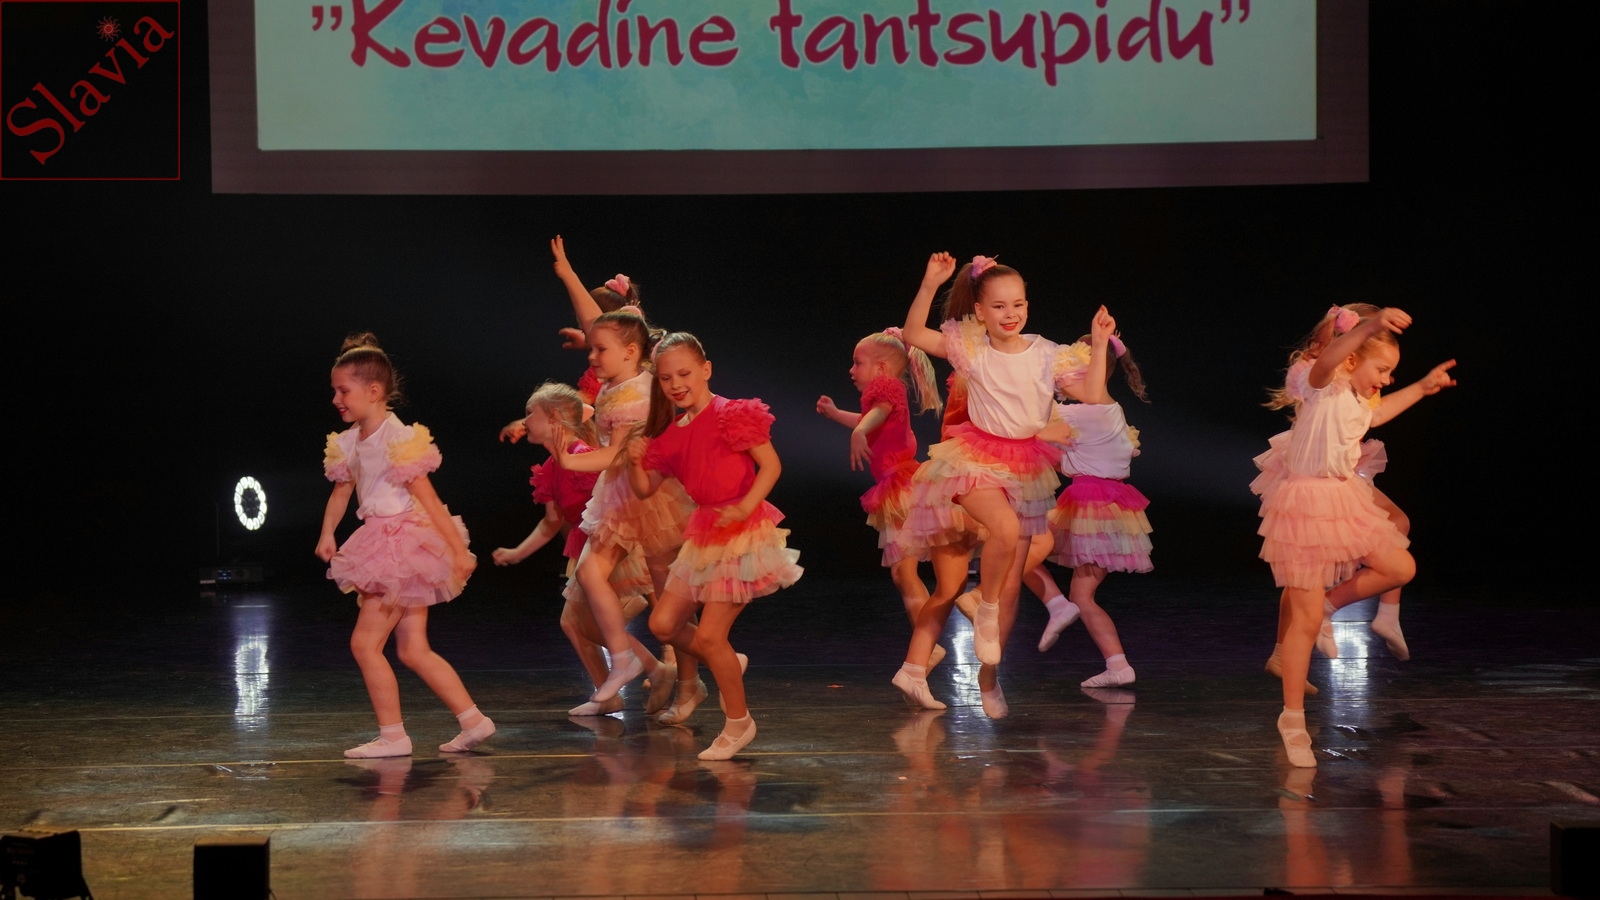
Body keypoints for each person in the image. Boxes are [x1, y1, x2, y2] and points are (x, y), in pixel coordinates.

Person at [1256, 305, 1456, 766]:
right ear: (1350, 358)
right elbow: (1327, 361)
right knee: (1304, 620)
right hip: (1305, 505)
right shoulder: (1320, 384)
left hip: (1343, 496)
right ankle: (1292, 719)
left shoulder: (1357, 397)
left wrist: (1422, 387)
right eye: (1381, 369)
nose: (1386, 379)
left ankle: (1329, 605)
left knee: (1400, 565)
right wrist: (1372, 326)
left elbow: (1378, 416)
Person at [890, 252, 1084, 718]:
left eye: (1017, 304)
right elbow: (916, 336)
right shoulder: (971, 354)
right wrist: (930, 283)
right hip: (970, 472)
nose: (1010, 314)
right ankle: (930, 655)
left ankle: (987, 676)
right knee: (960, 576)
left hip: (1021, 473)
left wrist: (1098, 354)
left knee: (1007, 583)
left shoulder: (1040, 355)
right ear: (979, 312)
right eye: (998, 306)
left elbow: (1077, 399)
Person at [627, 332, 803, 760]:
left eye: (684, 374)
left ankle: (739, 723)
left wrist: (744, 506)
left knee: (709, 635)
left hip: (743, 531)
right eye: (666, 378)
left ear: (706, 370)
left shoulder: (731, 414)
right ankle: (725, 660)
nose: (676, 384)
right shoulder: (671, 435)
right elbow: (646, 488)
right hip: (706, 533)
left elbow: (771, 466)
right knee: (663, 624)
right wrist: (633, 461)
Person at [317, 334, 494, 758]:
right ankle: (474, 721)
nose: (337, 400)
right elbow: (342, 490)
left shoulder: (397, 437)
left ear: (373, 391)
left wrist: (459, 551)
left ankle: (393, 736)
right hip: (386, 538)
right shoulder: (350, 440)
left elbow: (427, 497)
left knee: (365, 645)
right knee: (413, 649)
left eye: (344, 391)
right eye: (335, 391)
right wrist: (327, 532)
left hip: (399, 544)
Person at [544, 238, 694, 716]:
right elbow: (598, 325)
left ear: (630, 351)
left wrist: (568, 459)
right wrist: (567, 274)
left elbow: (613, 455)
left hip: (650, 497)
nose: (591, 356)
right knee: (592, 574)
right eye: (591, 348)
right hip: (621, 494)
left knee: (668, 604)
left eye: (599, 351)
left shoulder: (636, 394)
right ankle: (627, 660)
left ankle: (701, 669)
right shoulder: (620, 377)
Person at [492, 383, 652, 713]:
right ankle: (617, 689)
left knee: (586, 624)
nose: (524, 422)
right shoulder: (551, 467)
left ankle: (654, 667)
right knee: (573, 624)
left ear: (553, 418)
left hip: (612, 548)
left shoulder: (583, 457)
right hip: (585, 552)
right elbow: (551, 521)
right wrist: (517, 553)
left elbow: (616, 500)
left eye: (529, 415)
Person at [1037, 307, 1153, 690]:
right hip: (1107, 505)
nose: (1063, 382)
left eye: (1070, 373)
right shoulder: (1107, 412)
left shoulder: (1090, 412)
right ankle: (1118, 664)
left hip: (1092, 504)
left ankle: (1050, 604)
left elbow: (1029, 427)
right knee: (1082, 594)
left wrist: (1098, 342)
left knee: (1022, 541)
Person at [816, 328, 945, 665]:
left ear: (882, 368)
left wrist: (860, 431)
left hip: (901, 487)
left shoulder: (887, 387)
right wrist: (837, 415)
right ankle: (929, 641)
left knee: (905, 573)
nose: (852, 370)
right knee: (903, 573)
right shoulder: (884, 395)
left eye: (858, 363)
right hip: (897, 485)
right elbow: (870, 419)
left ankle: (929, 643)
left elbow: (875, 415)